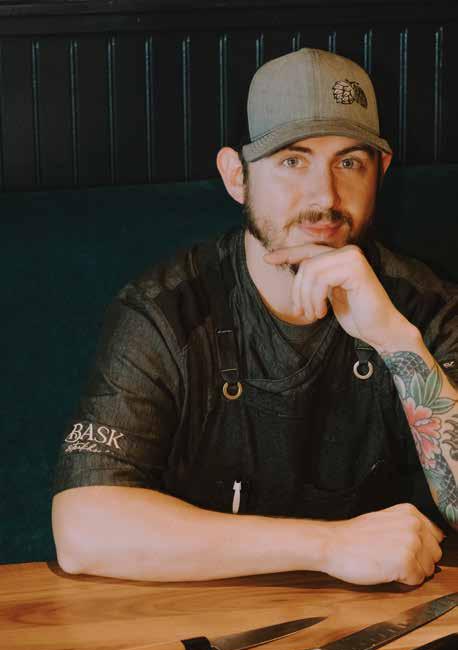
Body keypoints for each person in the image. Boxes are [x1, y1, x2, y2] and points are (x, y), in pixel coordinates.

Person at [52, 47, 458, 587]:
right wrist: (330, 546)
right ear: (236, 176)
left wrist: (394, 339)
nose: (325, 196)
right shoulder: (167, 312)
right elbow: (82, 528)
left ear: (380, 172)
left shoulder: (424, 305)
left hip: (395, 616)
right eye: (292, 160)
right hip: (204, 617)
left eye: (349, 162)